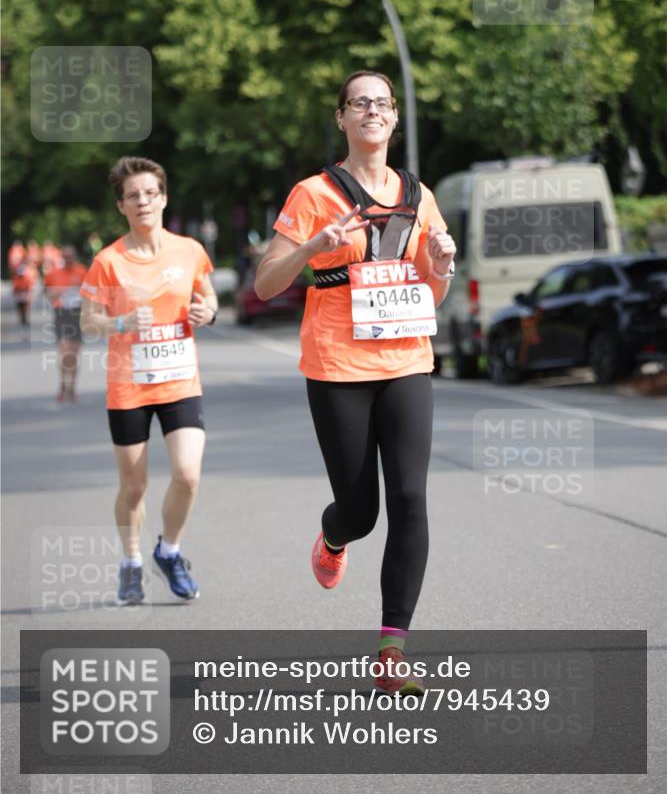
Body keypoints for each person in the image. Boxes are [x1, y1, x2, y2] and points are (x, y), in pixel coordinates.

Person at [255, 70, 456, 695]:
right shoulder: (313, 192)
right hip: (337, 365)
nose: (372, 111)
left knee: (411, 498)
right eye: (359, 103)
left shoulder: (418, 195)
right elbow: (265, 283)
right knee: (362, 511)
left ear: (394, 117)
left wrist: (442, 267)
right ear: (341, 117)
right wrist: (312, 245)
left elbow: (430, 294)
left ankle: (392, 652)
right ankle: (334, 534)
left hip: (405, 361)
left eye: (382, 103)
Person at [80, 157, 218, 606]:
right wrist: (120, 323)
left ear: (163, 199)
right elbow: (88, 321)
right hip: (129, 387)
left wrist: (208, 312)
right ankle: (131, 560)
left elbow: (208, 296)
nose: (142, 201)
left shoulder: (189, 250)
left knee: (187, 475)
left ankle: (169, 550)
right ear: (121, 206)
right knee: (134, 486)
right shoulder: (108, 261)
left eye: (149, 193)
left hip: (180, 381)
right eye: (132, 196)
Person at [43, 245, 87, 402]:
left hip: (77, 314)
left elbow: (91, 293)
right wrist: (58, 291)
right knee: (64, 351)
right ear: (62, 258)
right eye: (66, 257)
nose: (68, 260)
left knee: (74, 354)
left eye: (71, 257)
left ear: (74, 257)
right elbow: (46, 294)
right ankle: (62, 384)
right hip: (61, 313)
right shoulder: (54, 274)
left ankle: (72, 388)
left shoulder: (82, 271)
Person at [11, 255, 38, 340]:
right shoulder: (17, 277)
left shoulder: (27, 275)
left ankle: (27, 328)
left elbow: (30, 287)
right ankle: (23, 328)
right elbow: (14, 288)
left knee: (26, 312)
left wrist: (29, 296)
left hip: (25, 296)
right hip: (19, 296)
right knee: (21, 313)